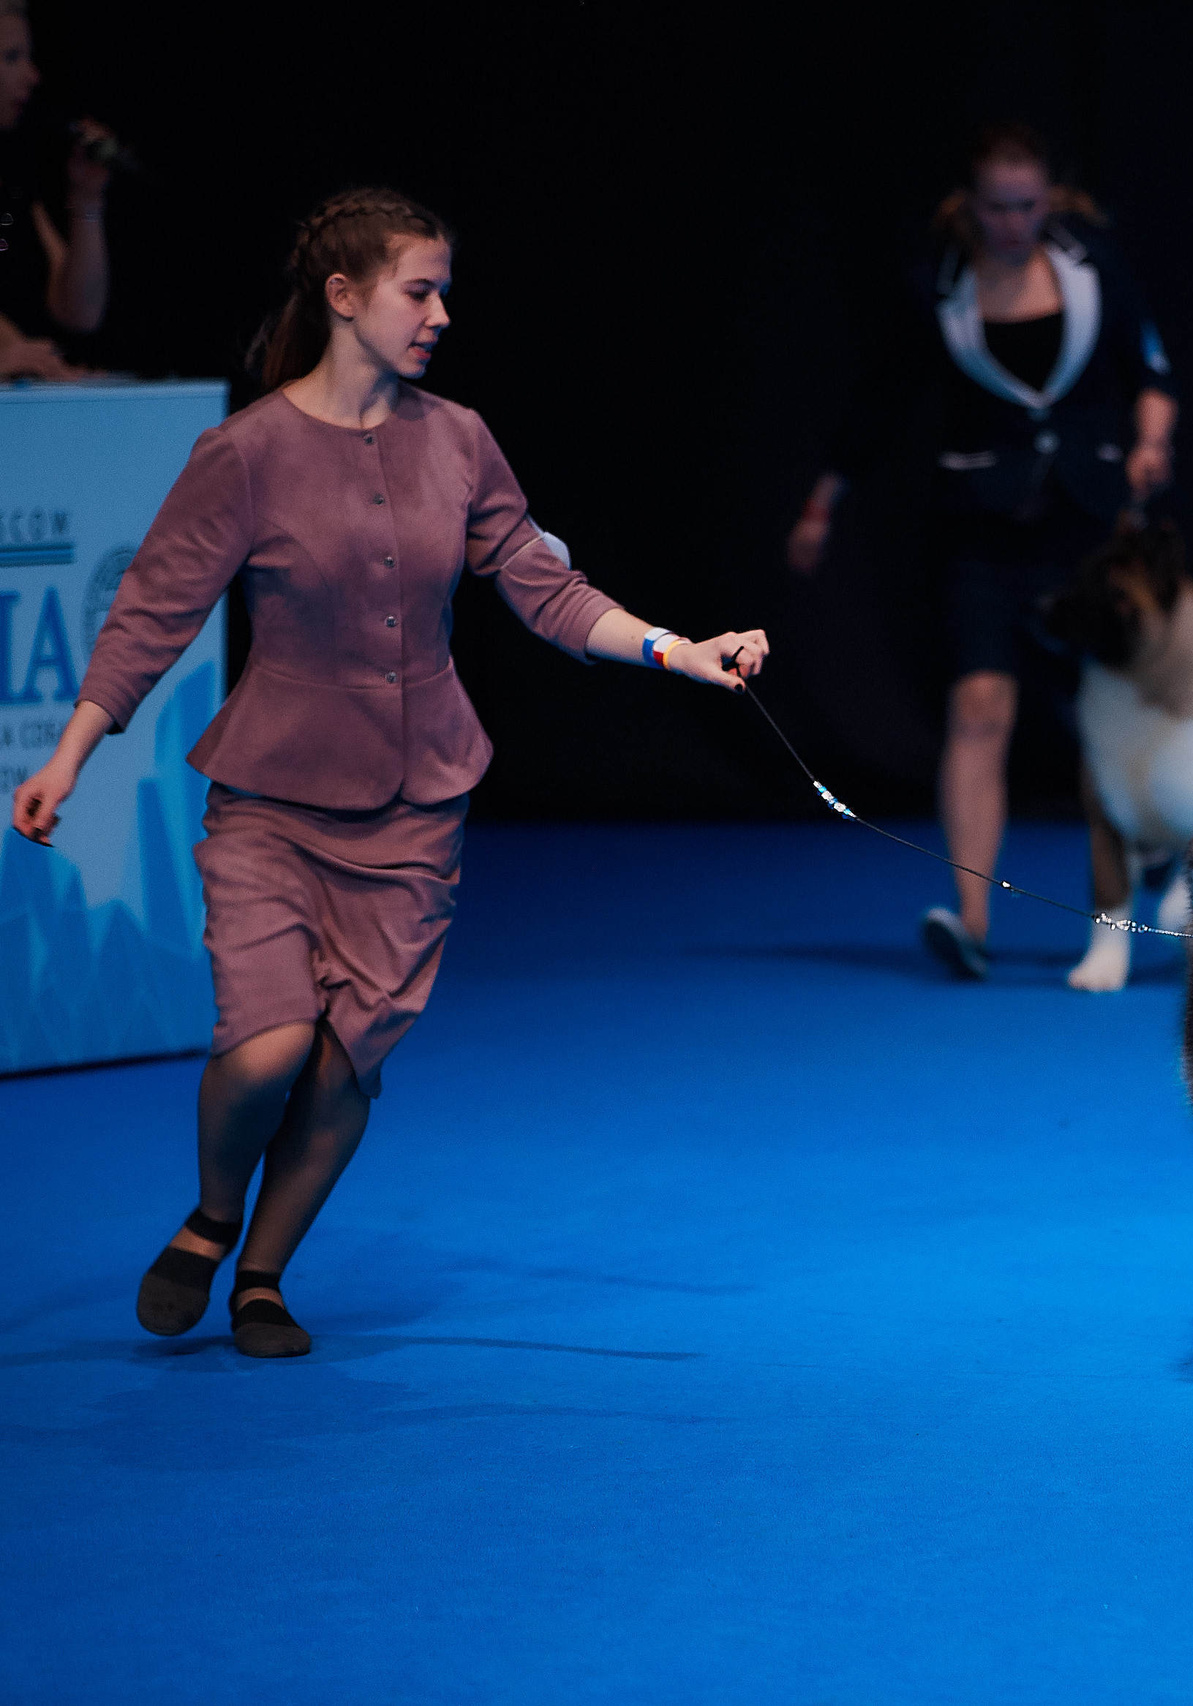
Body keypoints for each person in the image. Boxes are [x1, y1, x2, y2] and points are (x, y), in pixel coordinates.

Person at [8, 189, 772, 1358]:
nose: (440, 313)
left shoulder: (458, 438)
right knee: (264, 1047)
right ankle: (216, 1218)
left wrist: (679, 649)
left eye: (445, 290)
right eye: (420, 290)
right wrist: (68, 756)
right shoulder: (245, 452)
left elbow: (544, 585)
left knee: (340, 1061)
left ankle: (263, 1273)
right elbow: (152, 613)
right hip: (270, 802)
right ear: (344, 296)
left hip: (417, 808)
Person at [787, 122, 1176, 979]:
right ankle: (970, 915)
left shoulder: (1091, 266)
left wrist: (1151, 443)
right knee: (980, 709)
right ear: (971, 205)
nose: (1015, 222)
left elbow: (1150, 372)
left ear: (1049, 198)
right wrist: (823, 505)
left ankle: (1145, 865)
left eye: (1029, 204)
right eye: (999, 208)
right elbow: (877, 406)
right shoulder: (939, 287)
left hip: (1088, 531)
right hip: (981, 530)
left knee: (1111, 718)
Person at [0, 0, 112, 379]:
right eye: (11, 57)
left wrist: (86, 199)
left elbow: (79, 312)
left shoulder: (14, 183)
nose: (32, 75)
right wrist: (21, 357)